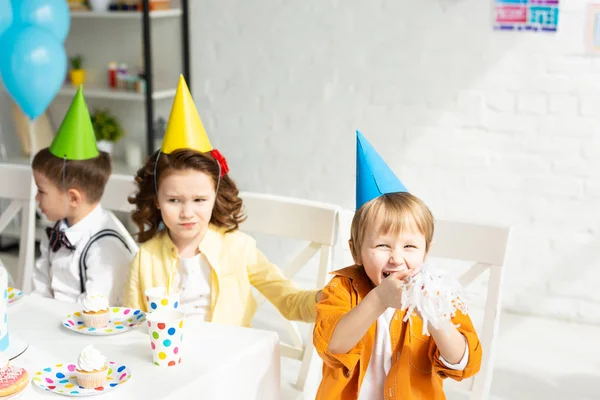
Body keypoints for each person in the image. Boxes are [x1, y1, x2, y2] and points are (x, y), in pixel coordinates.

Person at [123, 76, 320, 325]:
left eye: (199, 199)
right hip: (168, 361)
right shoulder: (146, 259)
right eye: (174, 200)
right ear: (157, 200)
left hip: (230, 358)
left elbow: (289, 301)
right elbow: (132, 323)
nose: (187, 213)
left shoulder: (238, 248)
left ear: (215, 196)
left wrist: (325, 299)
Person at [313, 131, 482, 399]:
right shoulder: (342, 289)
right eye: (382, 246)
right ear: (355, 251)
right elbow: (331, 346)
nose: (396, 258)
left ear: (426, 253)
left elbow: (465, 364)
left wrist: (433, 314)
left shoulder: (438, 293)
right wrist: (378, 299)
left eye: (410, 247)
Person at [31, 87, 134, 305]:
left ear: (74, 198)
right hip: (54, 326)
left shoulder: (104, 246)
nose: (36, 199)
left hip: (90, 331)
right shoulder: (57, 231)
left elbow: (95, 308)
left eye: (41, 191)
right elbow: (40, 289)